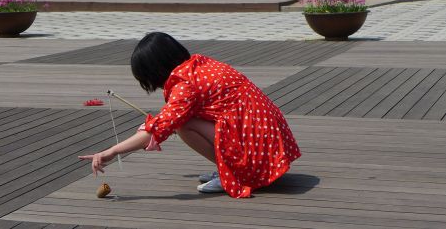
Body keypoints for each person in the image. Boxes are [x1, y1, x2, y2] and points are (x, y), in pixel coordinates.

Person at [79, 32, 301, 198]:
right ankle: (230, 168)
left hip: (257, 151)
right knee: (182, 120)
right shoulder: (198, 65)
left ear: (154, 70)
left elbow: (159, 128)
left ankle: (235, 175)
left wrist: (112, 151)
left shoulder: (185, 85)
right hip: (268, 143)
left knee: (182, 125)